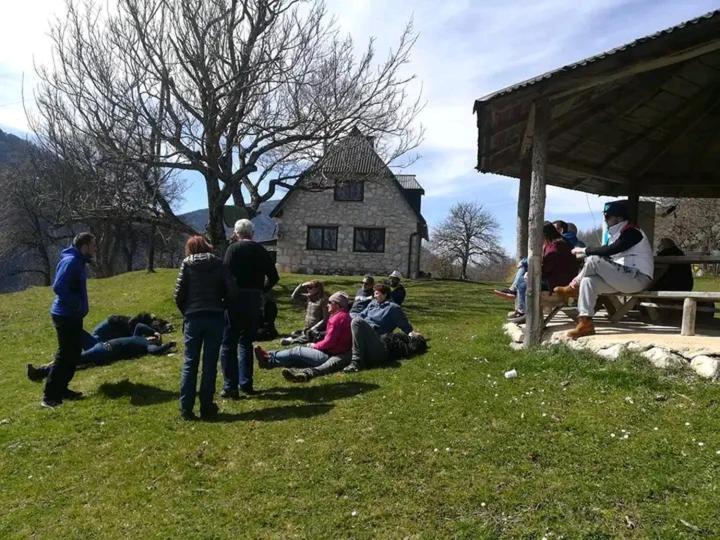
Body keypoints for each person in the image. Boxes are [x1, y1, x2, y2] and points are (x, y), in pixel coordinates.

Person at [554, 200, 653, 339]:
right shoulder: (615, 234)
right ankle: (585, 323)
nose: (605, 220)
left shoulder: (633, 232)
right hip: (623, 278)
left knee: (594, 259)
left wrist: (585, 250)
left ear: (618, 218)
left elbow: (611, 250)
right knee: (589, 281)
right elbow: (609, 252)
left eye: (607, 217)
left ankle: (574, 286)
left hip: (638, 278)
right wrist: (586, 253)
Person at [174, 235, 232, 420]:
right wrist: (221, 305)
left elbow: (178, 294)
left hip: (193, 317)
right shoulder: (218, 263)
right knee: (209, 364)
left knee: (190, 363)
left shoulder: (187, 264)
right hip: (214, 316)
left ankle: (186, 408)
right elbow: (232, 289)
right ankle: (207, 407)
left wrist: (187, 311)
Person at [221, 219, 279, 398]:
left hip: (235, 298)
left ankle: (230, 386)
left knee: (228, 343)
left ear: (237, 233)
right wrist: (262, 290)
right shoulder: (259, 250)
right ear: (252, 233)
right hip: (253, 298)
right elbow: (274, 276)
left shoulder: (232, 249)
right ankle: (246, 383)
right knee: (246, 342)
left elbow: (225, 275)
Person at [41, 232, 97, 408]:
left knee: (73, 353)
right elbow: (58, 286)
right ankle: (49, 396)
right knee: (65, 354)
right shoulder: (71, 262)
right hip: (64, 315)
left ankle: (62, 389)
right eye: (93, 245)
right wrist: (76, 305)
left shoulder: (78, 261)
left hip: (72, 314)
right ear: (85, 246)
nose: (95, 249)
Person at [255, 291, 351, 371]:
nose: (327, 305)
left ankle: (269, 356)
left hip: (328, 356)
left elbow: (330, 342)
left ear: (337, 305)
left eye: (330, 302)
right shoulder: (344, 316)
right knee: (296, 359)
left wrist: (315, 346)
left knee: (297, 351)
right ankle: (268, 361)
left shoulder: (337, 319)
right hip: (335, 353)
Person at [281, 330, 428, 383]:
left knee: (356, 322)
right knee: (340, 359)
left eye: (415, 334)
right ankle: (306, 373)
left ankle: (356, 362)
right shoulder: (399, 336)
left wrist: (417, 337)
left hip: (380, 352)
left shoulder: (409, 345)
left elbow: (414, 348)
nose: (413, 333)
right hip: (369, 347)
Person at [508, 223, 579, 323]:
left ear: (544, 234)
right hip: (565, 279)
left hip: (557, 283)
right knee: (525, 279)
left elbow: (545, 270)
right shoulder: (561, 242)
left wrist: (531, 275)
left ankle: (528, 314)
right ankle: (524, 311)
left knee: (523, 282)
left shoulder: (554, 248)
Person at [27, 334, 176, 381]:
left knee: (74, 358)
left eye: (154, 338)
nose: (151, 337)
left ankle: (41, 371)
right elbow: (140, 325)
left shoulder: (146, 345)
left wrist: (167, 345)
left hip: (105, 351)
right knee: (76, 332)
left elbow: (155, 351)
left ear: (154, 341)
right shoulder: (138, 335)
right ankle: (49, 366)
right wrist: (156, 332)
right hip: (101, 344)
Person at [344, 283, 416, 372]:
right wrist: (346, 316)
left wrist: (412, 334)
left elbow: (406, 326)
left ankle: (357, 361)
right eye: (374, 293)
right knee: (345, 319)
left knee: (356, 322)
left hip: (377, 341)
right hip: (364, 334)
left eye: (377, 293)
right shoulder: (373, 304)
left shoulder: (393, 308)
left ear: (385, 294)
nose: (374, 295)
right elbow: (361, 315)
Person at [281, 280, 329, 345]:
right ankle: (301, 337)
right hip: (307, 328)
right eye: (307, 287)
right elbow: (294, 296)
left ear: (318, 288)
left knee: (310, 335)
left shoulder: (323, 300)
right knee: (294, 333)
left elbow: (325, 319)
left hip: (317, 328)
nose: (307, 289)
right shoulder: (309, 297)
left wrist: (314, 328)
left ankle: (292, 341)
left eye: (310, 287)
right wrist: (302, 285)